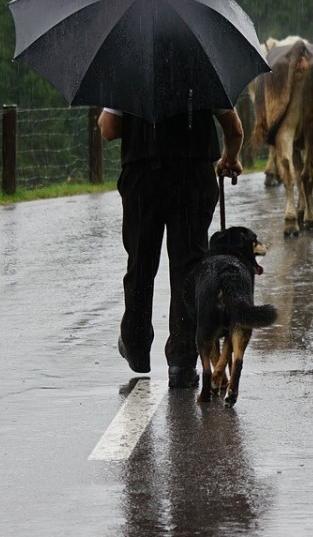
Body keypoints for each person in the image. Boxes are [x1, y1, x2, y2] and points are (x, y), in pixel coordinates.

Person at [98, 106, 244, 388]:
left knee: (140, 263)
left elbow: (108, 129)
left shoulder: (129, 66)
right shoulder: (204, 65)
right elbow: (234, 128)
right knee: (188, 270)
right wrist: (230, 157)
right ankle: (181, 362)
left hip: (142, 177)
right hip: (192, 177)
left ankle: (136, 345)